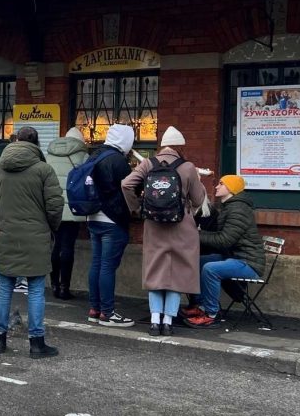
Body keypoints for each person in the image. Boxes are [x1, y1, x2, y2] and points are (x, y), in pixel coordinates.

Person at [0, 126, 63, 358]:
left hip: (8, 234)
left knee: (5, 288)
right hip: (37, 236)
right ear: (36, 143)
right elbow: (55, 204)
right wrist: (50, 228)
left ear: (16, 141)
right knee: (36, 289)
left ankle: (0, 339)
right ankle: (37, 343)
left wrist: (2, 222)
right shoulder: (43, 170)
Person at [121, 127, 206, 336]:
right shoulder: (188, 167)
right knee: (176, 275)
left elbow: (125, 184)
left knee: (155, 272)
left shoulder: (148, 164)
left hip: (154, 224)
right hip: (182, 225)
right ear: (179, 147)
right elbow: (198, 200)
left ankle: (154, 320)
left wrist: (138, 207)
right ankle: (168, 322)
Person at [185, 174, 266, 328]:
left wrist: (196, 235)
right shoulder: (230, 207)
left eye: (221, 184)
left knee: (210, 269)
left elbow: (224, 240)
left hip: (248, 262)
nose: (217, 186)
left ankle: (211, 314)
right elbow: (222, 238)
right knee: (197, 262)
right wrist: (197, 234)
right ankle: (200, 306)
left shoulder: (238, 210)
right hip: (235, 258)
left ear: (231, 189)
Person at [86, 123, 137, 328]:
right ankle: (107, 313)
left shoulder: (94, 155)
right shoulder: (118, 161)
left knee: (96, 264)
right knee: (107, 266)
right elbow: (129, 187)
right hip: (112, 220)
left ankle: (94, 309)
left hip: (93, 217)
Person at [45, 127, 89, 299]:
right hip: (73, 208)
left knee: (55, 245)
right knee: (68, 246)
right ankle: (65, 287)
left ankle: (54, 285)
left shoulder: (49, 155)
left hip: (53, 207)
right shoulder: (83, 156)